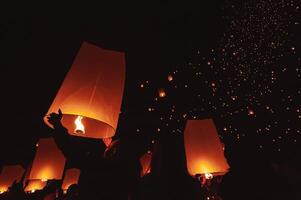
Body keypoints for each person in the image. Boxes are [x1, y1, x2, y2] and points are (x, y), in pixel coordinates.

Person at [46, 109, 145, 200]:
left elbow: (72, 152)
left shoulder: (100, 166)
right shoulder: (129, 169)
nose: (107, 140)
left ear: (115, 152)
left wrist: (58, 125)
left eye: (112, 144)